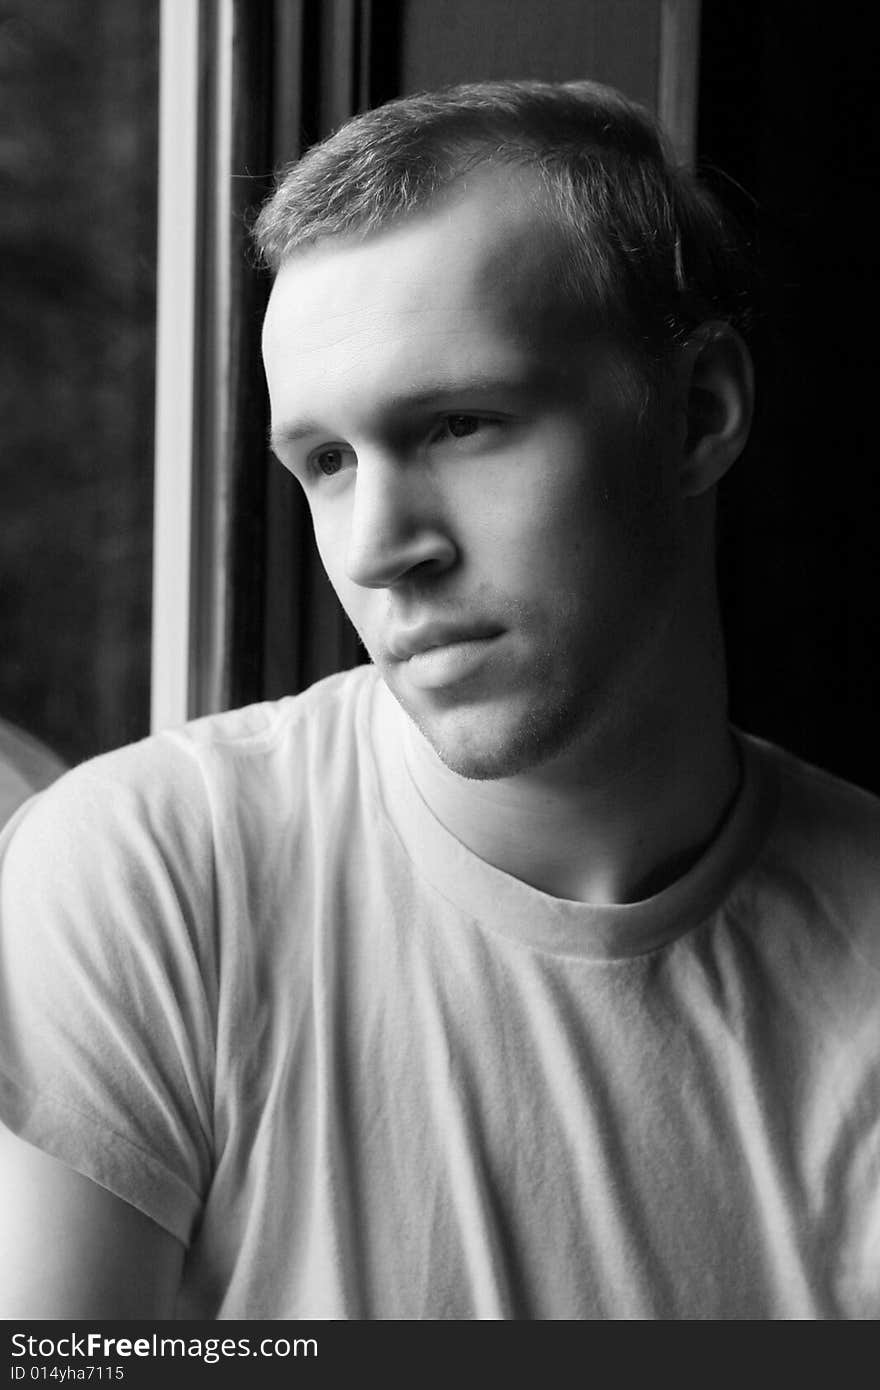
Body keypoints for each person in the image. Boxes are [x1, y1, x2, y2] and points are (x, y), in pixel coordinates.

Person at [1, 78, 878, 1322]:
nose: (375, 545)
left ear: (698, 413)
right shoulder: (147, 877)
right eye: (325, 461)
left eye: (462, 424)